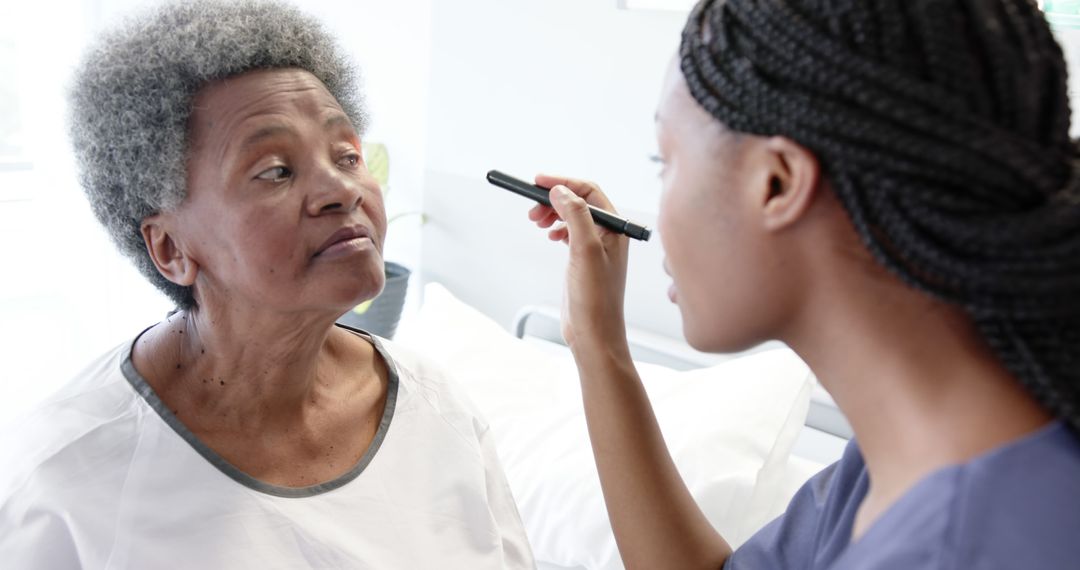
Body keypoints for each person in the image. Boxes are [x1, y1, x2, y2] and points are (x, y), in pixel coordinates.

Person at [526, 0, 1080, 568]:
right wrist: (598, 344)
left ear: (777, 182)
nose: (659, 213)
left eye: (663, 161)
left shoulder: (959, 545)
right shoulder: (897, 458)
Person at [0, 1, 533, 568]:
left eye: (347, 155)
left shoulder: (439, 411)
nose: (342, 190)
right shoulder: (64, 482)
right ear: (170, 249)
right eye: (275, 170)